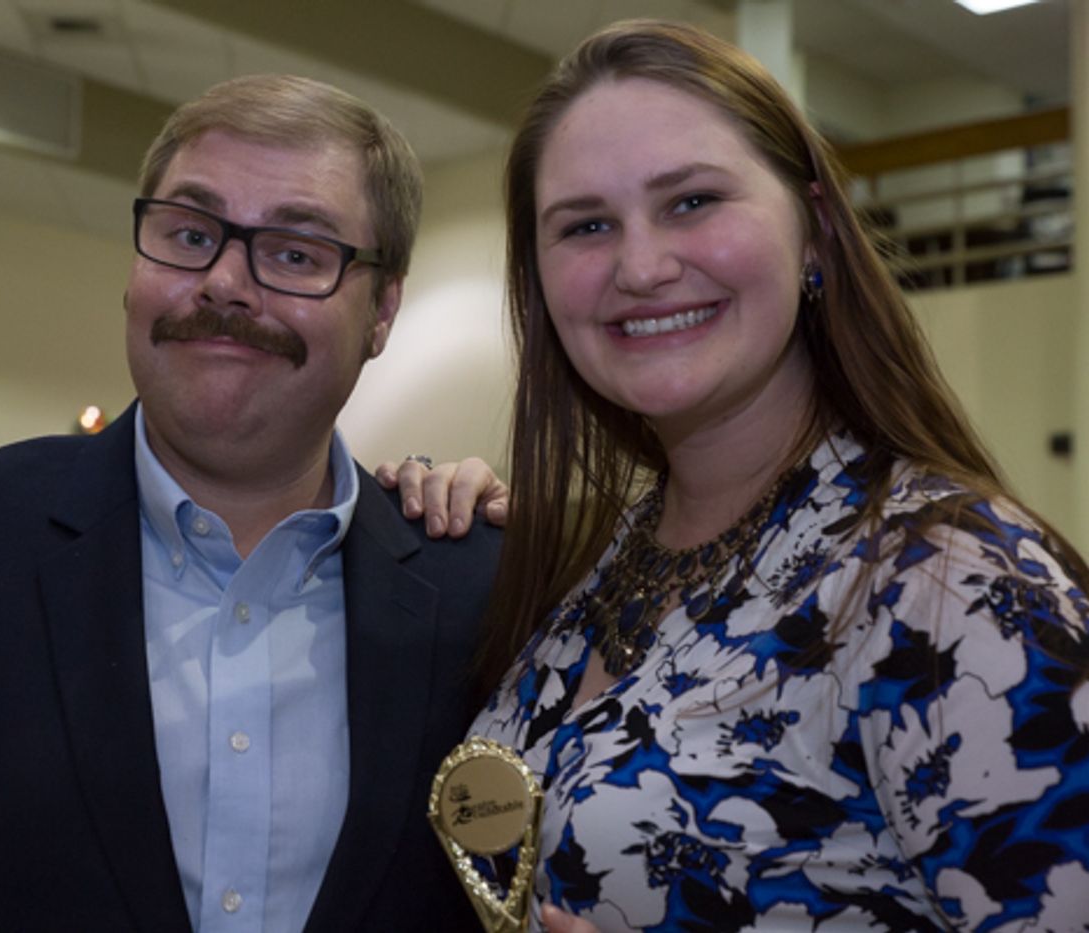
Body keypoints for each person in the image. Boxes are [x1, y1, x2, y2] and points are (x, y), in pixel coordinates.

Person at [0, 74, 504, 933]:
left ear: (383, 310)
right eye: (190, 234)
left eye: (296, 253)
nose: (225, 281)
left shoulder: (485, 595)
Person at [463, 20, 1089, 933]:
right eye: (587, 225)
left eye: (692, 201)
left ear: (815, 232)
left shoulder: (950, 578)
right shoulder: (607, 566)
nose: (641, 266)